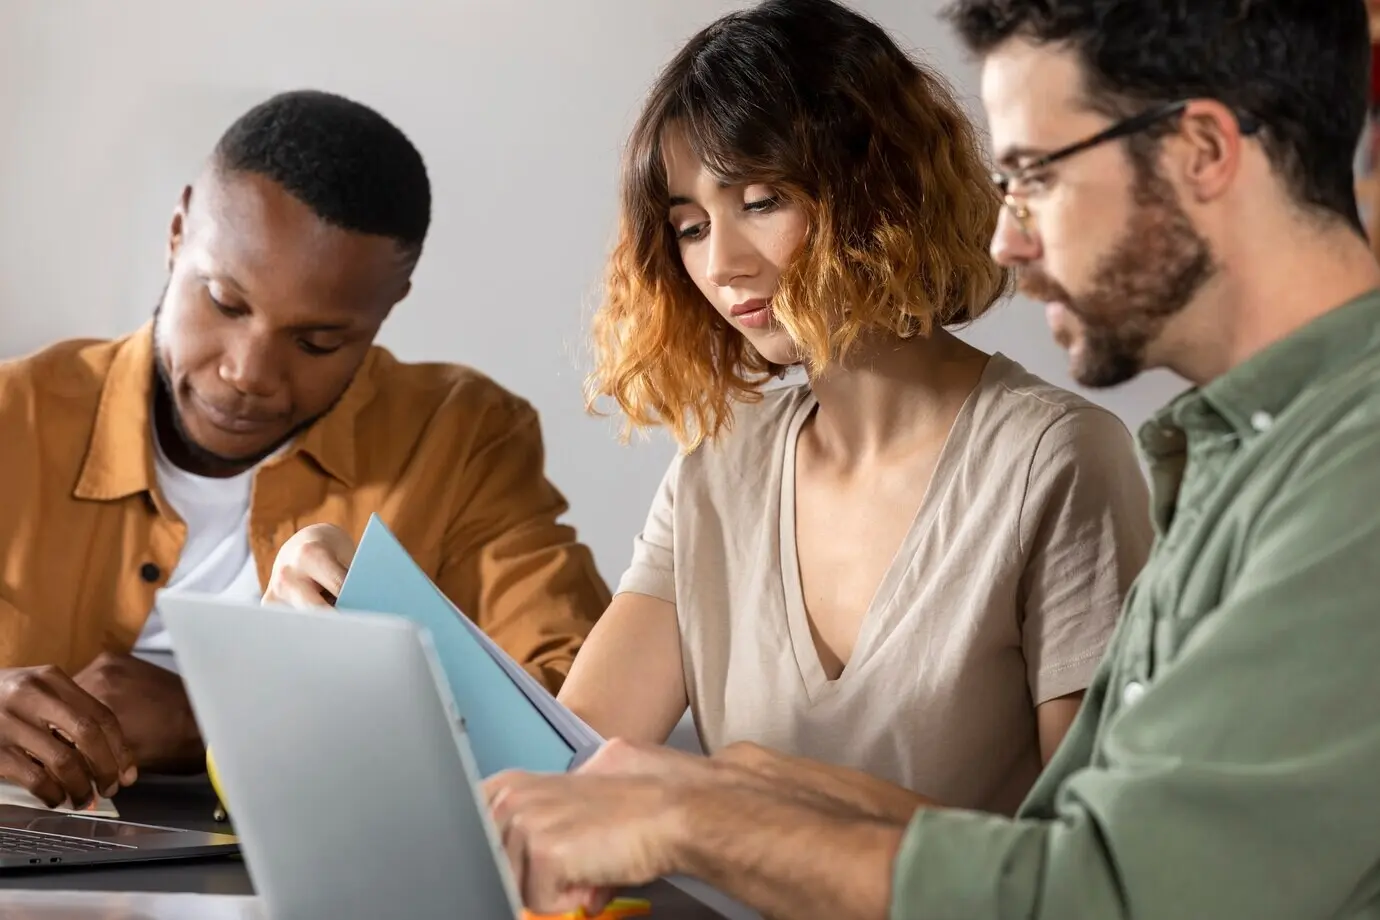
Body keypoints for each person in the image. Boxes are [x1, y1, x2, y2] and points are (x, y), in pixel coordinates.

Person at [482, 0, 1380, 918]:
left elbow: (1107, 891)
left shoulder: (1339, 477)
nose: (1006, 239)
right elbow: (1091, 842)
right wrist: (741, 793)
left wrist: (709, 820)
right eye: (691, 224)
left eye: (1036, 176)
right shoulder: (1230, 457)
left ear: (1201, 151)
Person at [272, 0, 1151, 817]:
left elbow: (1087, 856)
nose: (722, 261)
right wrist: (368, 623)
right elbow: (554, 775)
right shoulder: (720, 468)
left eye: (762, 201)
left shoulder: (1058, 459)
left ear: (885, 190)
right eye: (690, 225)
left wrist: (731, 828)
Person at [0, 90, 609, 812]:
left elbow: (576, 719)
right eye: (225, 303)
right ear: (175, 232)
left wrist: (217, 718)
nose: (247, 374)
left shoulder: (462, 437)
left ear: (389, 305)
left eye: (317, 342)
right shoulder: (17, 417)